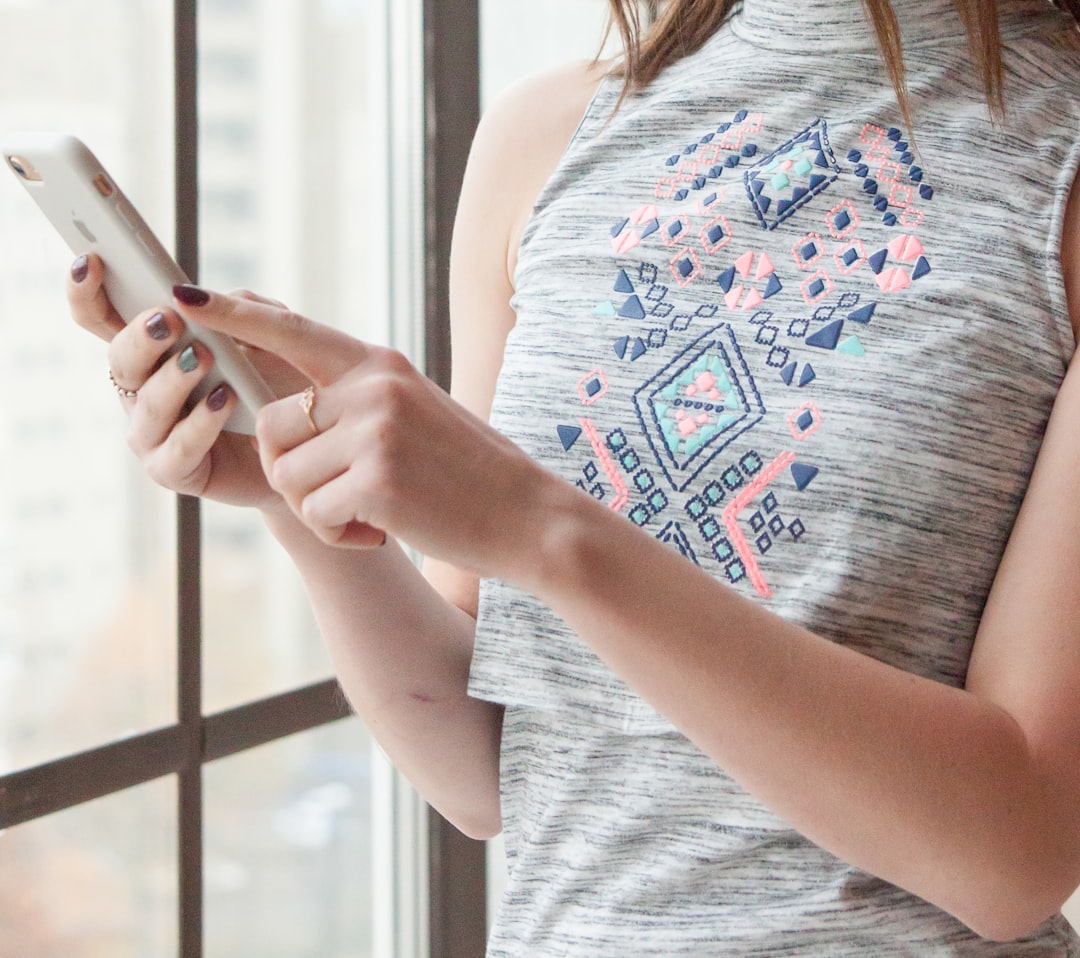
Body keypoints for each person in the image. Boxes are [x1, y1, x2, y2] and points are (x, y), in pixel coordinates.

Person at [68, 0, 1080, 953]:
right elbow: (486, 767)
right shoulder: (546, 136)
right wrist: (299, 485)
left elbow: (1014, 851)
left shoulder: (1059, 159)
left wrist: (543, 531)